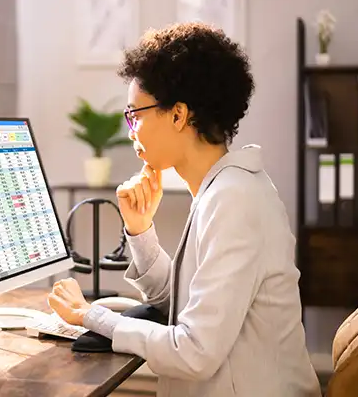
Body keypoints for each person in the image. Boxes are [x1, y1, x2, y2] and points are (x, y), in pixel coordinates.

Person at [47, 22, 322, 397]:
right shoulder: (222, 189)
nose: (132, 131)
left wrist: (89, 316)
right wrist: (141, 232)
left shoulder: (234, 200)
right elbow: (184, 306)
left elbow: (194, 351)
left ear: (178, 115)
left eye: (136, 115)